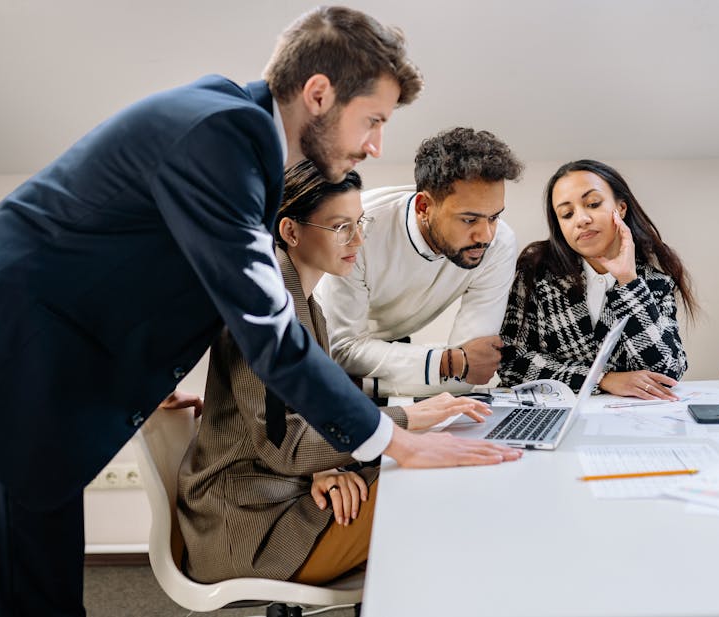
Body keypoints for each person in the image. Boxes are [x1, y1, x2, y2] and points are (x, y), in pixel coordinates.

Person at [0, 7, 519, 617]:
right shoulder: (220, 137)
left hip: (31, 365)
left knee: (41, 596)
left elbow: (141, 269)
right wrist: (393, 440)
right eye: (372, 120)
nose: (375, 144)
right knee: (9, 600)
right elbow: (267, 332)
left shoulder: (233, 135)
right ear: (319, 94)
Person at [178, 160, 492, 585]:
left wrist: (327, 468)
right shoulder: (269, 315)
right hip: (251, 527)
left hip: (282, 493)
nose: (360, 240)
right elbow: (283, 444)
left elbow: (308, 411)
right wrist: (407, 421)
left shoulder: (306, 305)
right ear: (291, 232)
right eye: (342, 227)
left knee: (430, 473)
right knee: (434, 488)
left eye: (359, 223)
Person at [317, 127, 524, 397]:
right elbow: (340, 349)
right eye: (469, 219)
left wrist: (368, 386)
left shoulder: (499, 244)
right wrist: (447, 363)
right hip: (312, 350)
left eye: (494, 217)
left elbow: (472, 368)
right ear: (424, 207)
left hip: (390, 349)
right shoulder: (358, 228)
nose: (486, 236)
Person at [499, 159, 697, 399]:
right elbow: (510, 362)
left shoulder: (654, 278)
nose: (581, 219)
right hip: (553, 415)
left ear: (621, 208)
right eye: (567, 214)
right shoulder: (537, 268)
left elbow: (667, 371)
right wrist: (600, 379)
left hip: (627, 420)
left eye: (593, 204)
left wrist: (628, 281)